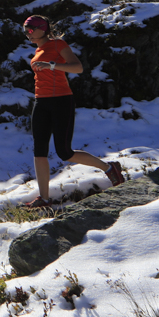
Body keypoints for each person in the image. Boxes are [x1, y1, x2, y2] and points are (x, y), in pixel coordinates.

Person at [21, 14, 124, 209]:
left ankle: (110, 168)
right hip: (40, 102)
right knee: (39, 151)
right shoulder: (38, 50)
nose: (28, 33)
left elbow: (77, 68)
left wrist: (52, 65)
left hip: (61, 101)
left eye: (31, 29)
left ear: (43, 28)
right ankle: (44, 199)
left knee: (64, 152)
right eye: (25, 30)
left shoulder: (58, 45)